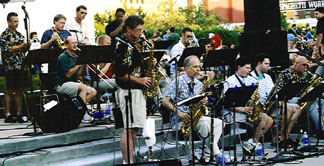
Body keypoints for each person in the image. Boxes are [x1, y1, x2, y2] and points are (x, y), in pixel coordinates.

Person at [162, 55, 225, 160]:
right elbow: (165, 101)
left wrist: (204, 101)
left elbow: (200, 102)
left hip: (195, 117)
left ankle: (207, 150)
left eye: (199, 67)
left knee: (219, 123)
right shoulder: (178, 81)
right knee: (204, 124)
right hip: (181, 120)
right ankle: (217, 155)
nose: (198, 70)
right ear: (186, 68)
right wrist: (179, 113)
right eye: (195, 67)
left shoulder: (199, 84)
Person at [113, 15, 150, 164]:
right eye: (138, 30)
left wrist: (148, 61)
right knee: (129, 131)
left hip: (136, 91)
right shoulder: (121, 46)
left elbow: (134, 66)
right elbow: (120, 75)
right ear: (128, 29)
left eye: (141, 30)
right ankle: (127, 162)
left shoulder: (133, 43)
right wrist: (140, 80)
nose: (140, 34)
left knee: (133, 131)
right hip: (130, 92)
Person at [223, 56, 273, 153]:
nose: (249, 71)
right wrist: (241, 109)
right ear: (239, 67)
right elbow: (226, 103)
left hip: (245, 110)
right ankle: (252, 143)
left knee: (270, 120)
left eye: (250, 68)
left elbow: (248, 100)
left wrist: (254, 99)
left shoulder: (250, 80)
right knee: (264, 118)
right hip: (231, 111)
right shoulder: (230, 81)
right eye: (247, 68)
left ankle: (252, 143)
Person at [0, 12, 30, 123]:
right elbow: (8, 49)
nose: (17, 23)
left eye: (18, 21)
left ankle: (18, 113)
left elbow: (22, 50)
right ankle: (8, 114)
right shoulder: (4, 35)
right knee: (9, 90)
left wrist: (27, 46)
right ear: (9, 22)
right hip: (10, 66)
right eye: (15, 21)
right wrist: (22, 45)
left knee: (19, 90)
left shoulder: (20, 35)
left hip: (20, 66)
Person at [274, 56, 309, 147]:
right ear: (296, 64)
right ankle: (281, 137)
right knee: (290, 109)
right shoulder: (286, 73)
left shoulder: (304, 75)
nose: (305, 67)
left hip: (294, 99)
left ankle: (286, 135)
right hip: (282, 100)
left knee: (298, 109)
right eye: (303, 65)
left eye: (306, 65)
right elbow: (279, 90)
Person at [243, 54, 274, 152]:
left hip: (268, 104)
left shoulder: (268, 77)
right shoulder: (250, 77)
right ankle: (254, 142)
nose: (268, 66)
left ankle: (253, 142)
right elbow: (246, 96)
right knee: (267, 119)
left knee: (272, 119)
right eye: (266, 63)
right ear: (259, 63)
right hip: (255, 106)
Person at [54, 36, 96, 104]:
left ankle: (78, 109)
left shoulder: (74, 57)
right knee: (83, 87)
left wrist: (82, 63)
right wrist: (78, 65)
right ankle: (81, 110)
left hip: (73, 82)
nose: (75, 45)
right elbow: (68, 75)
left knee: (93, 91)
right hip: (62, 84)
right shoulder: (63, 57)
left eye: (76, 43)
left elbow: (78, 75)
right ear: (66, 45)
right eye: (72, 43)